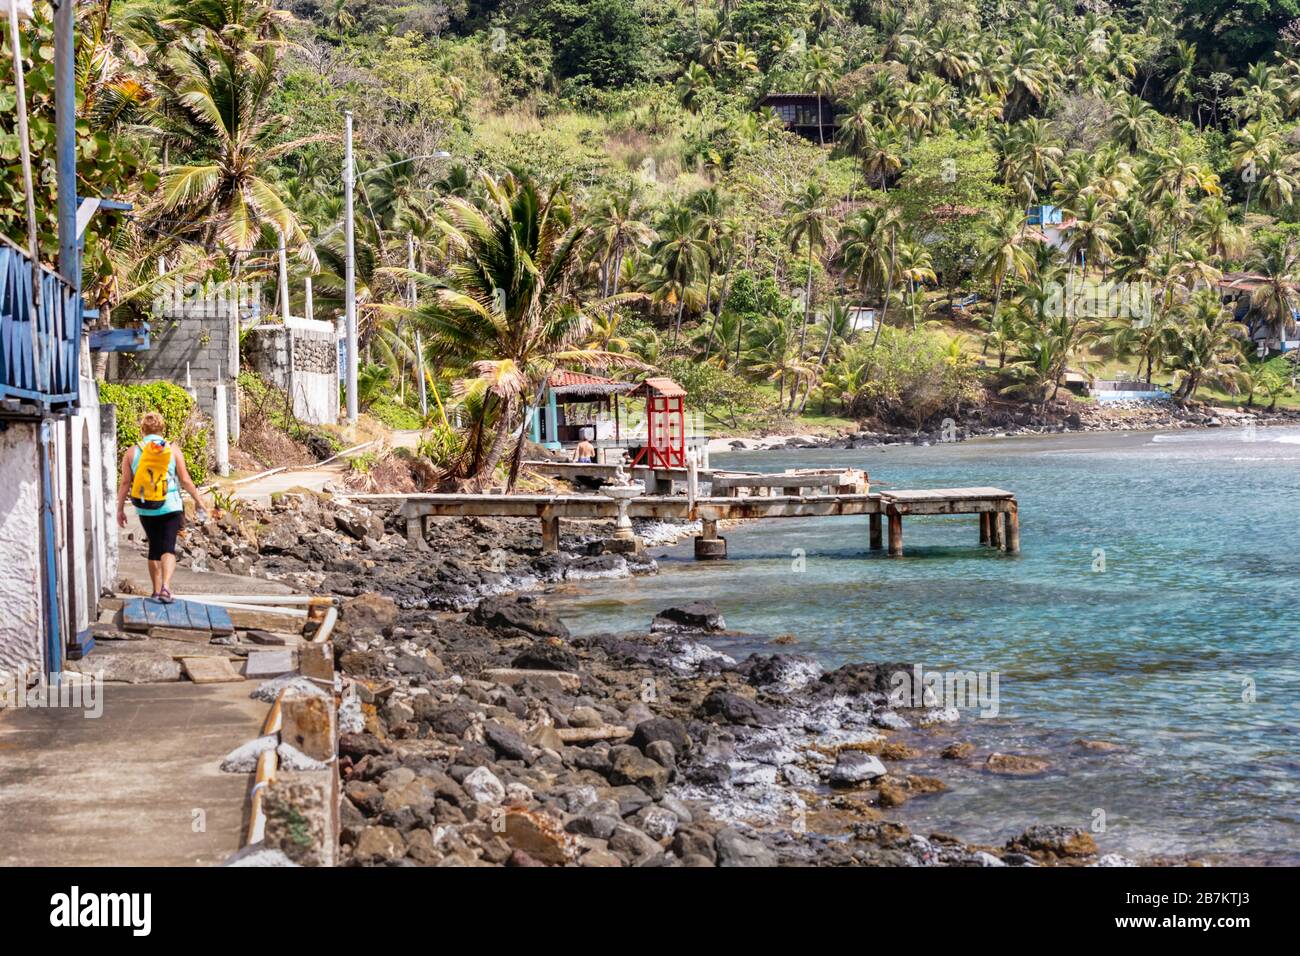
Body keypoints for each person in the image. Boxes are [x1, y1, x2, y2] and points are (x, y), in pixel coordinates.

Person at [115, 411, 210, 604]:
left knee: (154, 548)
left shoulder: (132, 451)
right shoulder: (172, 449)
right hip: (170, 505)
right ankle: (166, 587)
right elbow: (185, 480)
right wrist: (199, 501)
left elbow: (125, 483)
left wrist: (119, 509)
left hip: (145, 506)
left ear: (142, 429)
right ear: (162, 428)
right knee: (168, 547)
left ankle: (156, 591)